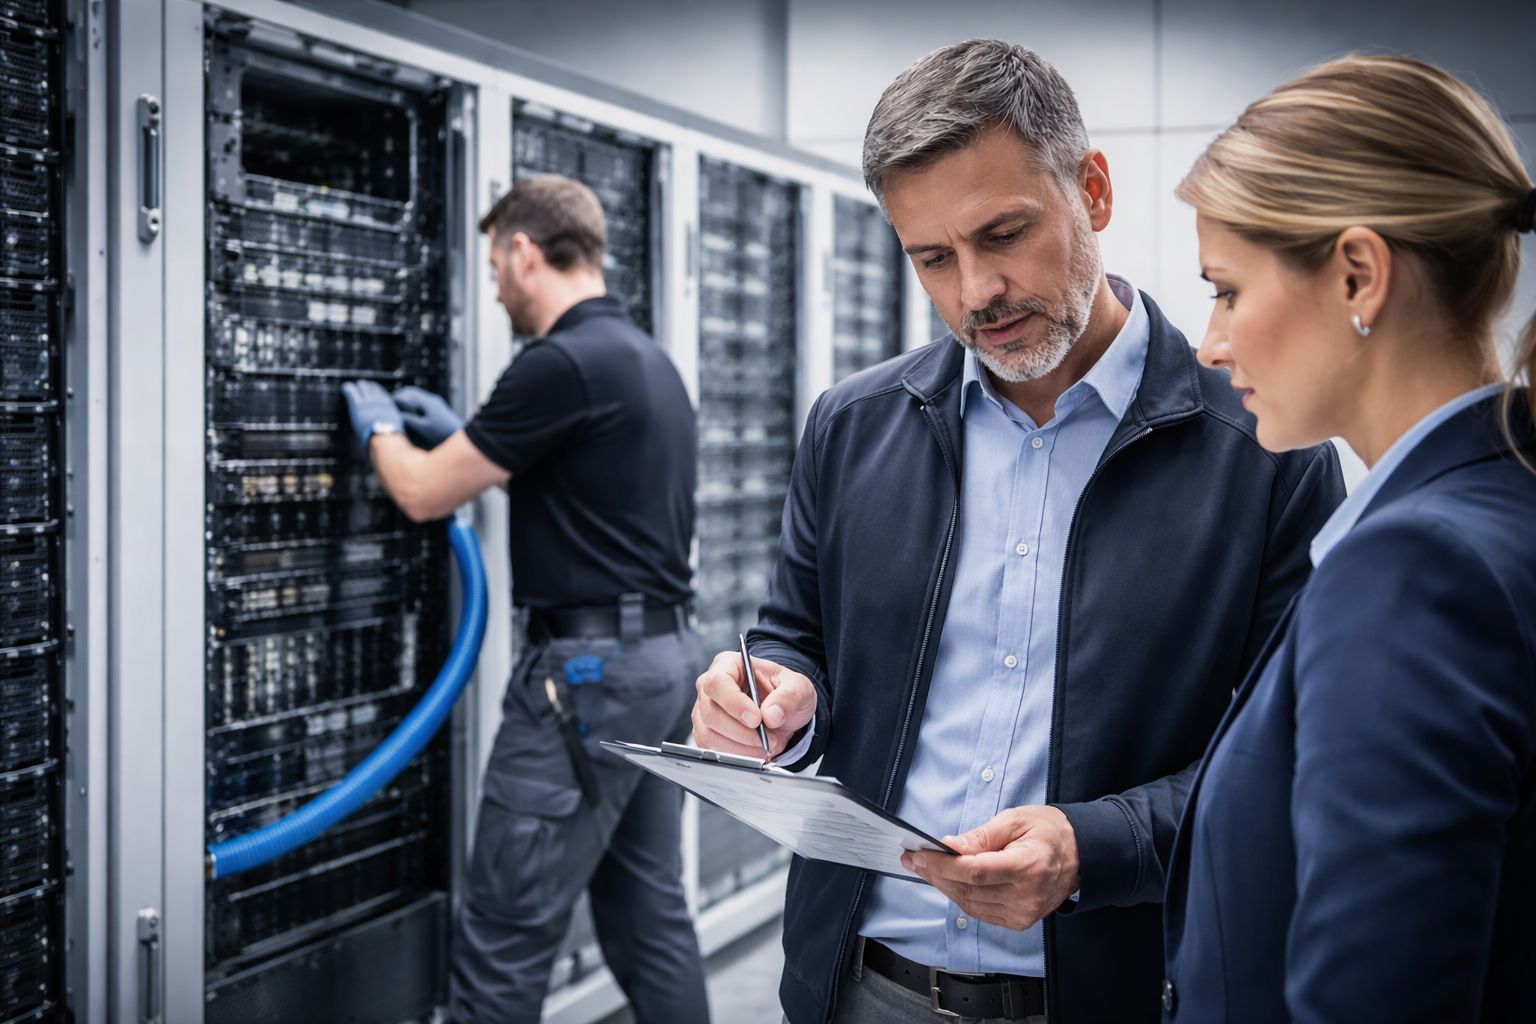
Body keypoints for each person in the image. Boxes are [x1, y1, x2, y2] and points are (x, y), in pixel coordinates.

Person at [689, 39, 1345, 1024]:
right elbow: (797, 636)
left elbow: (1293, 754)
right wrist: (774, 701)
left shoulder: (1263, 449)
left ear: (1094, 191)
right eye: (932, 258)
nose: (975, 292)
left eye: (1004, 234)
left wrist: (1096, 846)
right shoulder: (853, 425)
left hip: (1122, 995)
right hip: (861, 987)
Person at [1161, 55, 1536, 1022]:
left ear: (1359, 276)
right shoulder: (1506, 501)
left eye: (1227, 290)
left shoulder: (1414, 573)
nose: (1210, 344)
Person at [341, 174, 709, 1024]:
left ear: (524, 250)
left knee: (505, 930)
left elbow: (422, 493)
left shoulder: (558, 363)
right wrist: (468, 435)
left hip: (587, 680)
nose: (496, 288)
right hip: (661, 664)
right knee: (646, 914)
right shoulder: (645, 359)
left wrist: (379, 429)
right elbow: (585, 498)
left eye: (495, 267)